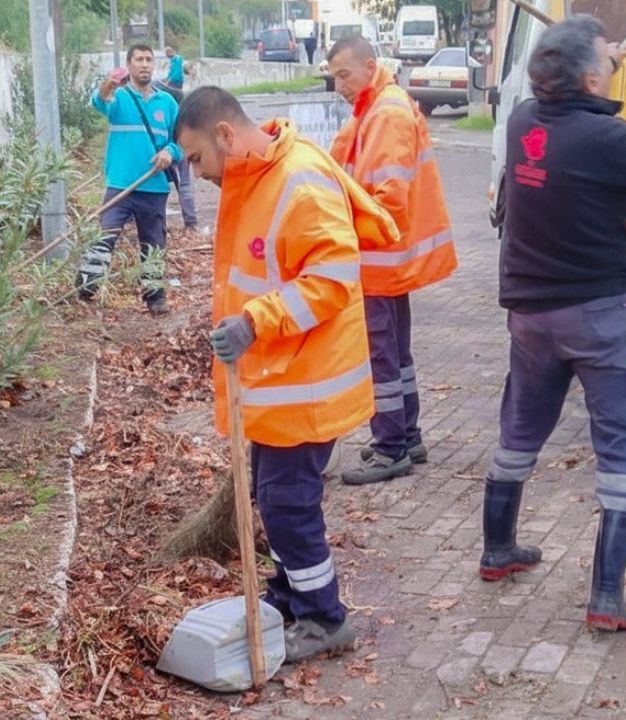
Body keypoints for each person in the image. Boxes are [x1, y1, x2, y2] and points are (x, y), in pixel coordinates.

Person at [481, 16, 626, 632]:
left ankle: (497, 550)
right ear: (587, 79)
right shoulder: (613, 140)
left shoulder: (524, 121)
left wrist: (600, 59)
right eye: (604, 60)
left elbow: (574, 92)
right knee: (623, 442)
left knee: (519, 430)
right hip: (598, 317)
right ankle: (606, 597)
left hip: (530, 317)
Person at [175, 86, 400, 662]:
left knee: (287, 503)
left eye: (197, 157)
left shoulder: (298, 180)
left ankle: (324, 617)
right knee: (272, 497)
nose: (196, 173)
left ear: (226, 134)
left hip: (307, 383)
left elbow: (332, 278)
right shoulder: (256, 179)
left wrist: (254, 322)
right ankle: (290, 594)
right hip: (280, 378)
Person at [325, 35, 458, 485]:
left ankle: (390, 447)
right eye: (334, 77)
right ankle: (407, 435)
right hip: (387, 260)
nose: (339, 86)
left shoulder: (384, 113)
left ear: (369, 67)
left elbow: (387, 199)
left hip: (377, 260)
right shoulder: (382, 105)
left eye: (344, 75)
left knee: (381, 357)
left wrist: (339, 232)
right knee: (396, 355)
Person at [77, 44, 182, 314]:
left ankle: (155, 297)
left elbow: (181, 141)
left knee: (154, 244)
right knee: (105, 236)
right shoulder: (119, 98)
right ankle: (85, 289)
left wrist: (169, 153)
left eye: (149, 59)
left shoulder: (167, 103)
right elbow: (99, 101)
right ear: (129, 64)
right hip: (120, 184)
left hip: (154, 187)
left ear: (154, 65)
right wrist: (109, 83)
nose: (144, 64)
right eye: (139, 59)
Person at [157, 46, 200, 231]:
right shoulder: (182, 105)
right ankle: (190, 221)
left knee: (162, 184)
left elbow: (173, 77)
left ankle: (157, 220)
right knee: (184, 184)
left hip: (172, 148)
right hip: (180, 147)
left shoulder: (165, 105)